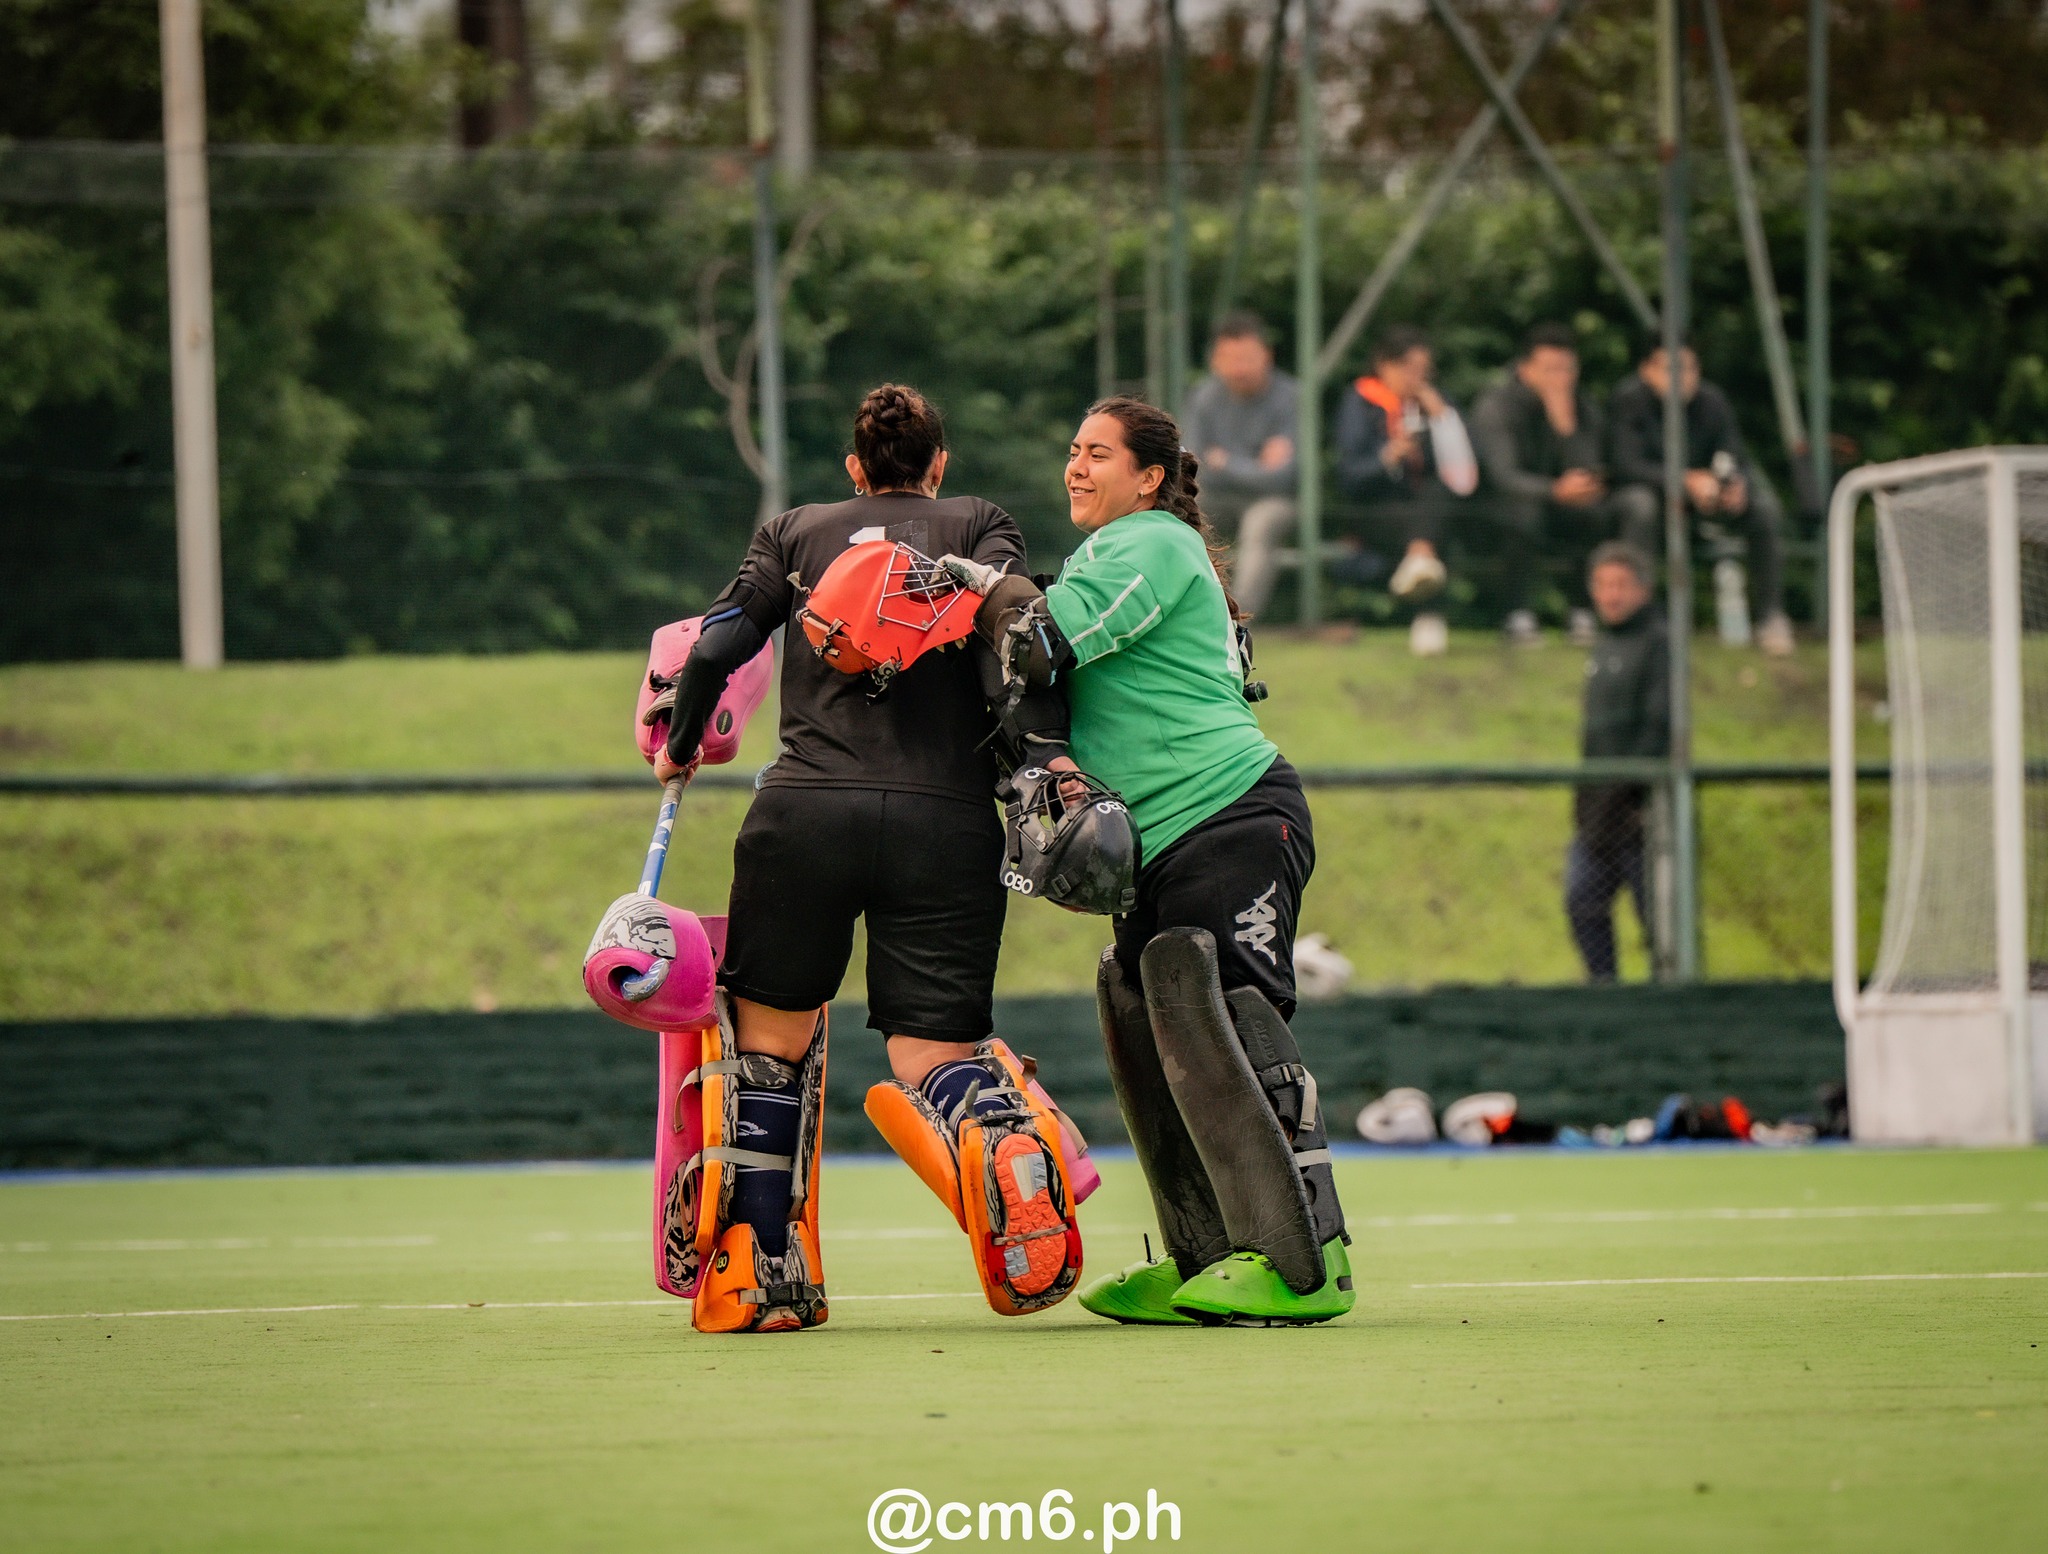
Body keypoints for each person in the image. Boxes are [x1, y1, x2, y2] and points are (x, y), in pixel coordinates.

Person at [651, 383, 1081, 1332]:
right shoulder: (980, 522)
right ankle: (997, 1138)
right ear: (939, 463)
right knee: (933, 1049)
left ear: (855, 467)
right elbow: (1020, 639)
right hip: (944, 822)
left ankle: (764, 1273)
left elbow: (716, 647)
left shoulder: (794, 531)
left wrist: (682, 740)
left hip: (803, 816)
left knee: (770, 1049)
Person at [941, 396, 1352, 1327]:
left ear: (1150, 476)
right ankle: (1207, 1255)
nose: (1075, 469)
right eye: (1072, 452)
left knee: (1232, 1024)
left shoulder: (1153, 543)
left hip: (1232, 814)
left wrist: (985, 584)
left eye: (1097, 454)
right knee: (1143, 1020)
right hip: (1160, 843)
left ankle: (1307, 1258)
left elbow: (1041, 643)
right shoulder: (1112, 553)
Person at [1607, 342, 1795, 656]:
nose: (1683, 377)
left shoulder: (1711, 402)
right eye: (1671, 368)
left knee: (1761, 509)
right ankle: (1641, 621)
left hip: (1704, 501)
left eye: (1690, 368)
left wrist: (1735, 485)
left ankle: (1770, 617)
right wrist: (1681, 480)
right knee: (1641, 506)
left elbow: (1735, 455)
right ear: (1647, 371)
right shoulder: (1628, 401)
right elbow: (1625, 465)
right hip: (1648, 499)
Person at [1468, 323, 1618, 646]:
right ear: (1526, 369)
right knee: (1523, 511)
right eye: (1550, 369)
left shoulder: (1582, 408)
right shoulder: (1497, 406)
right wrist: (1554, 491)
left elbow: (1590, 472)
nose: (1559, 378)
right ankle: (1517, 614)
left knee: (1593, 509)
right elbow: (1503, 476)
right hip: (1497, 510)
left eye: (1567, 369)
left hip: (1559, 506)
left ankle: (1582, 611)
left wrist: (1565, 428)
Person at [1334, 324, 1479, 657]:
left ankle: (1419, 556)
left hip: (1430, 508)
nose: (1418, 379)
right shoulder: (1360, 402)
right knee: (1427, 520)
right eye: (1410, 369)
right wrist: (1388, 457)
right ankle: (1429, 614)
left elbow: (1465, 470)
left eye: (1423, 371)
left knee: (1434, 496)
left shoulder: (1437, 404)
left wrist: (1442, 417)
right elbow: (1349, 475)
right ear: (1385, 365)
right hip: (1375, 508)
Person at [1567, 542, 1667, 982]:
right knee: (1581, 900)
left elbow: (1658, 727)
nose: (1611, 595)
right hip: (1597, 814)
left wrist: (1634, 794)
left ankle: (1670, 995)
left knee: (1660, 919)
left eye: (1621, 585)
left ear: (1644, 590)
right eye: (1604, 585)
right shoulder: (1604, 644)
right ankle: (1603, 987)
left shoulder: (1659, 643)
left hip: (1641, 812)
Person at [1179, 311, 1297, 619]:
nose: (1238, 367)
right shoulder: (1203, 398)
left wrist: (1225, 462)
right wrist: (1256, 466)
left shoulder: (1291, 398)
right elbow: (1193, 468)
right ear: (1215, 361)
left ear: (1266, 356)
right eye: (1228, 358)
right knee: (1180, 513)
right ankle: (1187, 612)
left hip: (1273, 501)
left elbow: (1284, 477)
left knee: (1261, 525)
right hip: (1216, 496)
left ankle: (1236, 620)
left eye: (1246, 357)